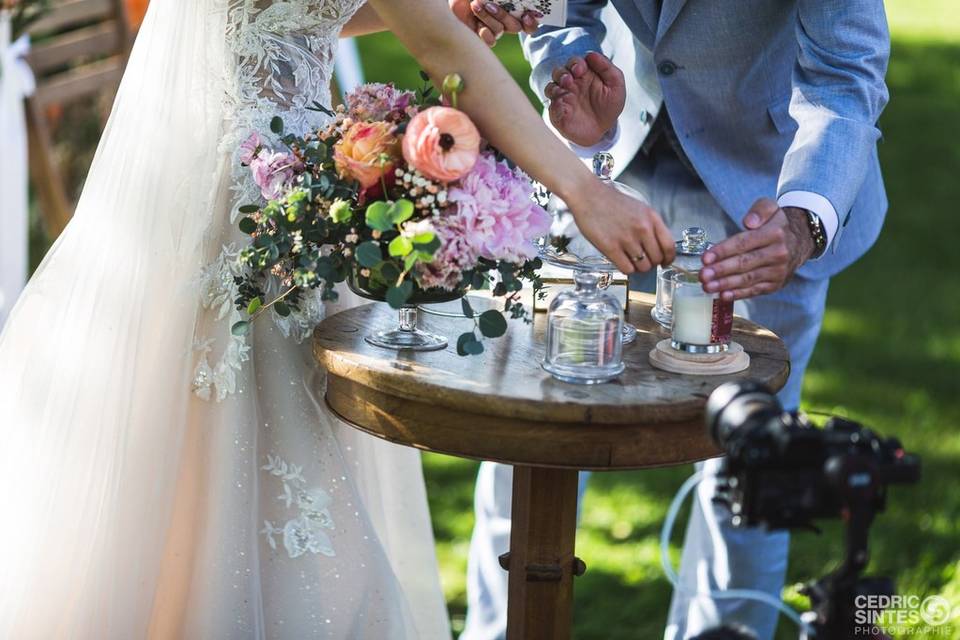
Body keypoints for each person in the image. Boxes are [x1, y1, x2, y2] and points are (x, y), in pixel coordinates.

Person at [0, 0, 676, 637]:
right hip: (261, 211)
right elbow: (445, 51)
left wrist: (445, 9)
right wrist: (585, 190)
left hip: (262, 180)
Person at [454, 1, 890, 638]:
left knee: (751, 457)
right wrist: (573, 84)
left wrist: (802, 220)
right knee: (530, 429)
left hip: (770, 195)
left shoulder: (789, 215)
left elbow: (847, 74)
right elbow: (560, 12)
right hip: (605, 174)